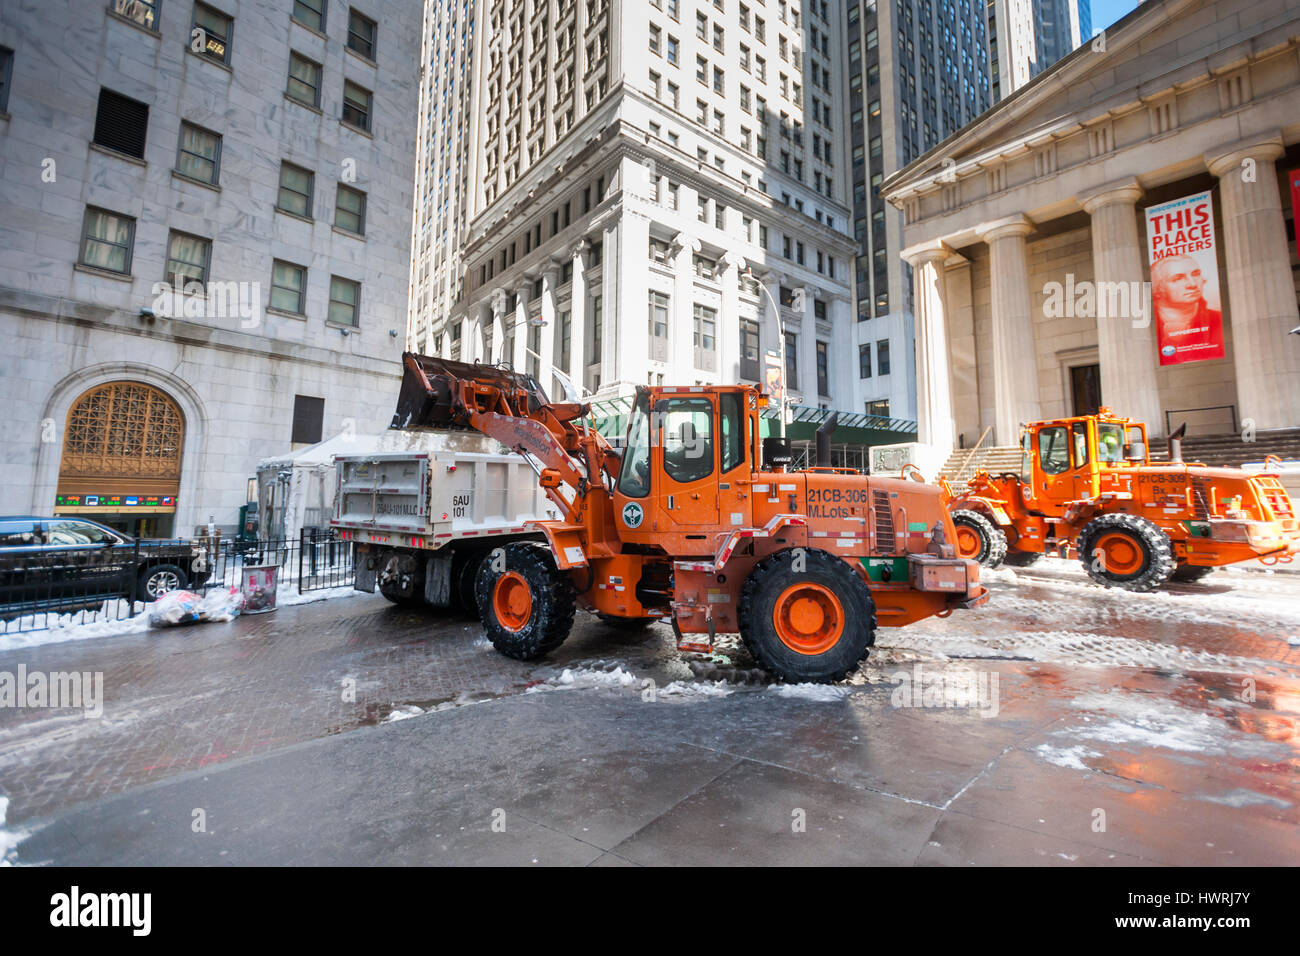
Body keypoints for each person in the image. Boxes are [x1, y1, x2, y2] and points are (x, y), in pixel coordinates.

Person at [1150, 254, 1220, 334]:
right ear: (1158, 287)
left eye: (1196, 274)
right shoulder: (1147, 325)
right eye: (1178, 279)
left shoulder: (1218, 319)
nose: (1192, 284)